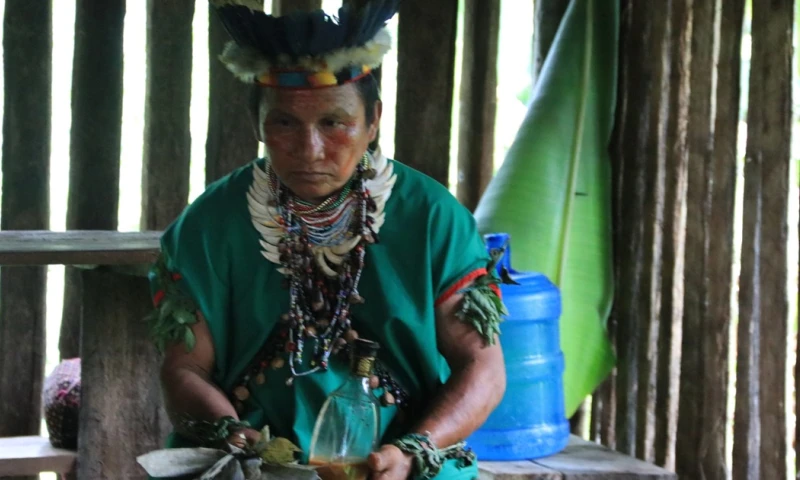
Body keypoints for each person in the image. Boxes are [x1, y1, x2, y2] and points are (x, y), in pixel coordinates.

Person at [147, 1, 507, 479]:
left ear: (372, 120)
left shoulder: (431, 219)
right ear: (259, 123)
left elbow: (483, 367)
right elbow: (185, 369)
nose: (309, 149)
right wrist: (233, 435)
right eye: (285, 123)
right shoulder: (210, 224)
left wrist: (417, 448)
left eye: (333, 123)